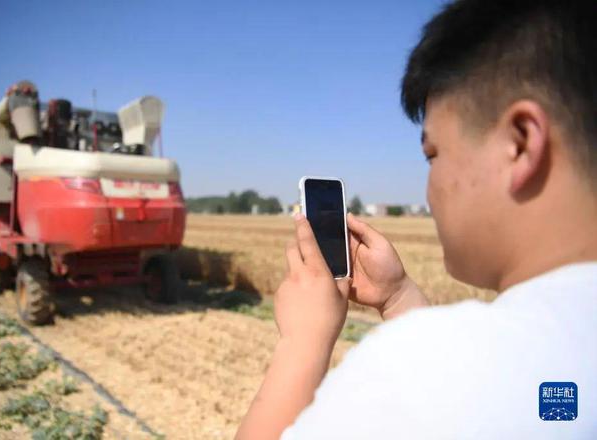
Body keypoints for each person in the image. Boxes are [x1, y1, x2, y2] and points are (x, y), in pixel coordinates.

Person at [236, 0, 597, 438]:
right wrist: (397, 297)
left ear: (519, 144)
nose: (429, 189)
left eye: (432, 154)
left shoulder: (407, 373)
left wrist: (303, 341)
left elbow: (450, 382)